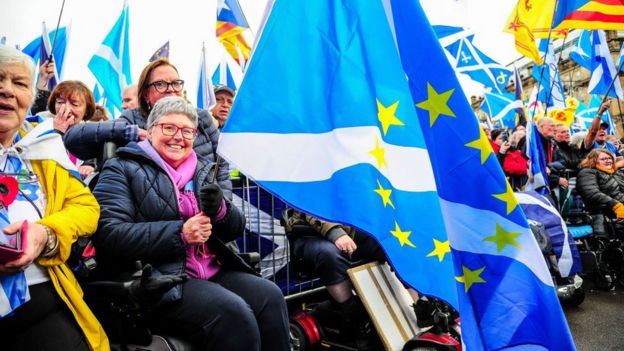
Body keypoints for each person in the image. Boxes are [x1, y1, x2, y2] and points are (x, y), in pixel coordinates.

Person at [92, 96, 290, 351]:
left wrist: (221, 211)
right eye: (169, 128)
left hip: (211, 270)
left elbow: (234, 229)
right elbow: (109, 235)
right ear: (150, 131)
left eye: (187, 131)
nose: (178, 136)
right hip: (162, 279)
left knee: (270, 296)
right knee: (232, 314)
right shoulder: (121, 168)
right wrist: (180, 233)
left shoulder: (204, 169)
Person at [0, 45, 107, 350]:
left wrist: (46, 233)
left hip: (41, 298)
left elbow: (87, 207)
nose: (7, 90)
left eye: (19, 83)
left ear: (29, 98)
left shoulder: (43, 148)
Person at [286, 209, 456, 350]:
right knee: (328, 255)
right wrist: (335, 233)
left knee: (395, 242)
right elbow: (312, 206)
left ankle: (422, 305)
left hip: (350, 230)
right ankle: (354, 318)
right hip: (310, 234)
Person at [63, 58, 231, 198]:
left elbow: (221, 164)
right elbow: (73, 137)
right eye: (161, 84)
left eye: (175, 83)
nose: (171, 89)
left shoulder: (202, 118)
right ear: (145, 95)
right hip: (153, 215)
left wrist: (222, 210)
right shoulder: (133, 119)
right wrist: (130, 132)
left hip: (205, 213)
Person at [576, 149, 624, 222]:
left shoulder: (617, 173)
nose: (608, 161)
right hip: (605, 214)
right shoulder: (587, 172)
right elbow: (591, 193)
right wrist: (615, 205)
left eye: (609, 158)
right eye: (603, 159)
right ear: (593, 161)